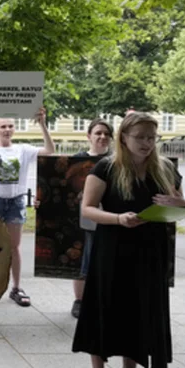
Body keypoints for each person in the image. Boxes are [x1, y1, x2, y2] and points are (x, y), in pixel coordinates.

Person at [73, 112, 185, 368]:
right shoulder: (106, 167)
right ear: (123, 137)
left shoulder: (165, 169)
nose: (147, 143)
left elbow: (180, 207)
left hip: (150, 251)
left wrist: (179, 203)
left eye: (152, 137)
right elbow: (87, 209)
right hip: (112, 247)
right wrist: (118, 218)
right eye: (140, 137)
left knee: (140, 309)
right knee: (106, 305)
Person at [0, 104, 54, 307]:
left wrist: (42, 124)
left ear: (14, 128)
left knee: (14, 247)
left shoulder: (23, 150)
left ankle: (16, 287)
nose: (6, 129)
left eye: (10, 126)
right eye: (2, 126)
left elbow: (49, 150)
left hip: (15, 201)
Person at [70, 119, 113, 319]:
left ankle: (104, 300)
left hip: (109, 217)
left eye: (106, 133)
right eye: (98, 133)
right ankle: (79, 300)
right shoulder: (77, 160)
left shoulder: (116, 161)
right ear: (89, 136)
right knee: (83, 259)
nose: (102, 137)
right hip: (84, 217)